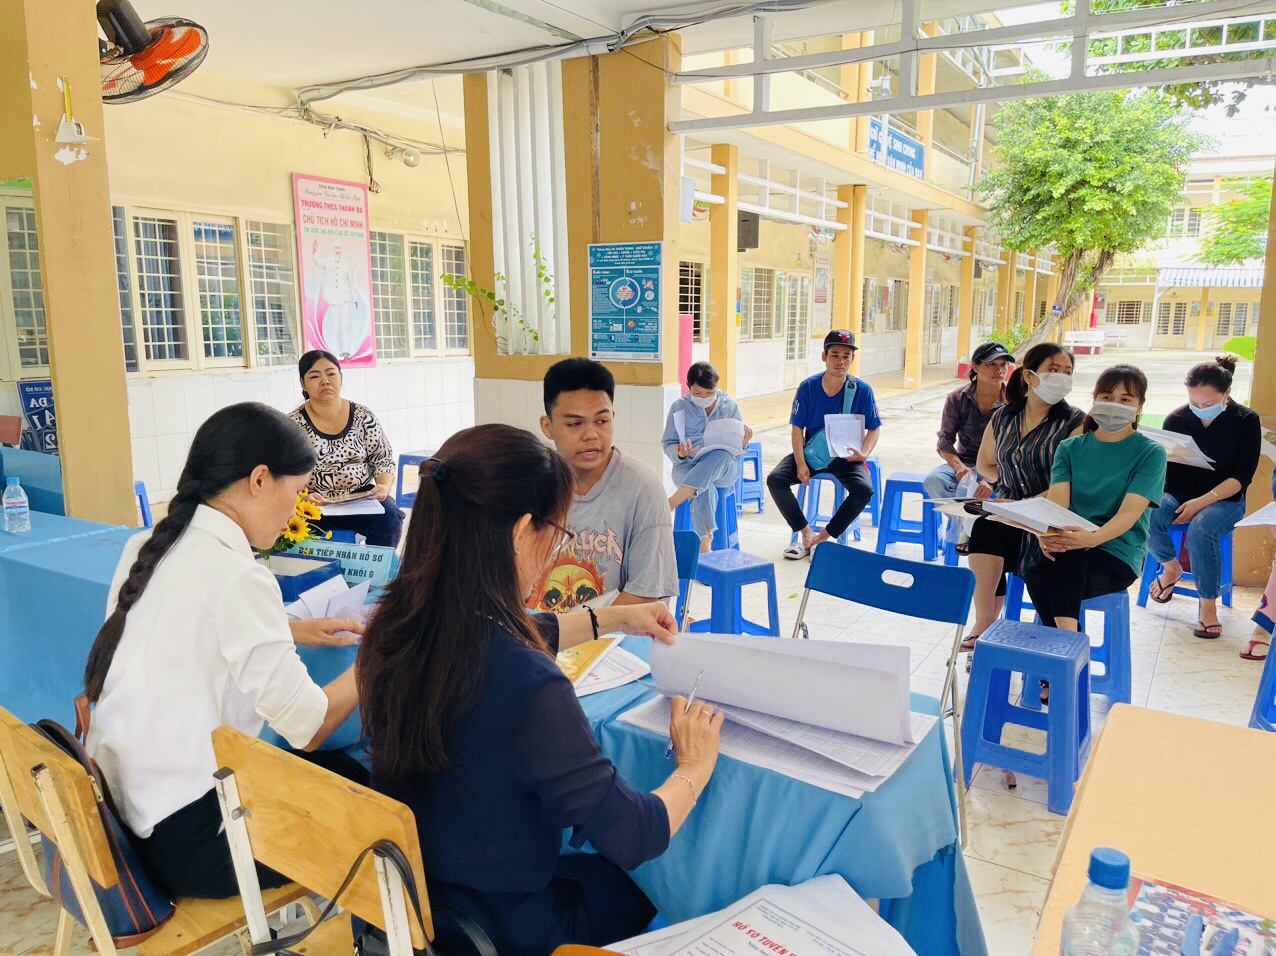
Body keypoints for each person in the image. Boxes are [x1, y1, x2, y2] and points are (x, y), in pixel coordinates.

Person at [358, 425, 723, 956]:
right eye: (557, 531)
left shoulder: (392, 627)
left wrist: (614, 618)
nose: (556, 547)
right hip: (507, 931)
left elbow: (520, 631)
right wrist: (694, 766)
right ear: (520, 532)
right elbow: (636, 835)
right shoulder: (528, 682)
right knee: (655, 888)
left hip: (415, 905)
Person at [82, 403, 364, 899]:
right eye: (297, 492)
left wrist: (288, 630)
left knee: (342, 777)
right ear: (259, 480)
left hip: (122, 818)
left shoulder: (147, 545)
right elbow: (309, 727)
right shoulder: (239, 577)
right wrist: (377, 660)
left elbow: (185, 625)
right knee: (373, 799)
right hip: (191, 845)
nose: (296, 509)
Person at [1025, 365, 1167, 637]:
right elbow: (1057, 506)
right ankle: (1069, 644)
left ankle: (1065, 644)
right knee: (1041, 569)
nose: (1115, 405)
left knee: (1049, 570)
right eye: (1107, 397)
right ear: (1095, 398)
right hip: (1070, 546)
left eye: (1125, 399)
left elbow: (1128, 515)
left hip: (1116, 553)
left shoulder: (1150, 453)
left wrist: (1090, 539)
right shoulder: (1070, 448)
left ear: (1139, 406)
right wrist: (1047, 534)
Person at [963, 344, 1086, 652]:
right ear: (1029, 376)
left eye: (1067, 372)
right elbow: (984, 464)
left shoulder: (1075, 422)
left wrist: (1024, 504)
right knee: (985, 529)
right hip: (1010, 510)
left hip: (1052, 512)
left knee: (1046, 567)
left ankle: (1060, 651)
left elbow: (1071, 482)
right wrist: (1009, 488)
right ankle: (984, 624)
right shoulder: (1004, 417)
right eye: (1053, 370)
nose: (1061, 378)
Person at [533, 358, 679, 611]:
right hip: (539, 629)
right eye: (575, 424)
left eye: (601, 421)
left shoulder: (642, 490)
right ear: (548, 427)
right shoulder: (531, 483)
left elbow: (645, 596)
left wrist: (575, 631)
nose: (591, 434)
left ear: (613, 417)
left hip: (616, 631)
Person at [1146, 356, 1260, 641]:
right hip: (1180, 492)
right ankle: (1171, 568)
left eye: (1207, 403)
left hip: (1226, 498)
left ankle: (1208, 607)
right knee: (1147, 511)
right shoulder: (1177, 419)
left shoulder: (1246, 421)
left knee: (1201, 529)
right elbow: (1167, 473)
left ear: (1226, 393)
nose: (1199, 408)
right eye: (1193, 402)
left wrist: (1201, 502)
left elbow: (1241, 477)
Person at [768, 329, 881, 559]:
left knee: (864, 490)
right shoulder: (808, 387)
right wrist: (801, 463)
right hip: (813, 455)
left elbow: (874, 427)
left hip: (847, 457)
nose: (840, 361)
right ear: (824, 356)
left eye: (846, 356)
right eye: (835, 355)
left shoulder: (862, 390)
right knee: (775, 479)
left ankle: (823, 538)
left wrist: (864, 453)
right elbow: (797, 429)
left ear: (852, 358)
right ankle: (805, 532)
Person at [289, 350, 404, 548]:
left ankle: (378, 567)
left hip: (360, 498)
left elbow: (382, 458)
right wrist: (302, 497)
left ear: (341, 378)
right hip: (314, 503)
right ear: (303, 384)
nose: (325, 381)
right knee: (290, 527)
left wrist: (384, 486)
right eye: (315, 376)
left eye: (331, 374)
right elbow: (284, 472)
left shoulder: (362, 415)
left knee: (390, 517)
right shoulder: (292, 425)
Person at [662, 362, 753, 552]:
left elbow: (738, 449)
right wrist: (680, 453)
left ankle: (672, 502)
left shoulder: (729, 406)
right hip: (687, 466)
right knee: (704, 488)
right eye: (697, 393)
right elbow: (668, 442)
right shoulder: (679, 407)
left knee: (720, 456)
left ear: (716, 387)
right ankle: (705, 546)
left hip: (724, 468)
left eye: (709, 393)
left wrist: (743, 443)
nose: (703, 397)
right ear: (688, 387)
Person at [925, 341, 1011, 502]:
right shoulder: (957, 398)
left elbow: (1017, 449)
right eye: (991, 364)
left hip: (1002, 467)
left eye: (1003, 364)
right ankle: (967, 516)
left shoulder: (1014, 401)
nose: (999, 370)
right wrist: (959, 466)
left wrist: (991, 481)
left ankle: (975, 516)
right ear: (975, 367)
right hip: (967, 463)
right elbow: (945, 441)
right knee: (934, 481)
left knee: (1013, 492)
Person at [312, 238, 367, 359]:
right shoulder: (328, 262)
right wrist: (315, 252)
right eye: (336, 248)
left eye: (339, 248)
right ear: (333, 249)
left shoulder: (346, 264)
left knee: (346, 325)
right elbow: (318, 262)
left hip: (345, 297)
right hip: (333, 298)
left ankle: (346, 352)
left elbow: (351, 282)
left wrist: (355, 299)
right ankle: (335, 352)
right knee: (335, 324)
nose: (338, 250)